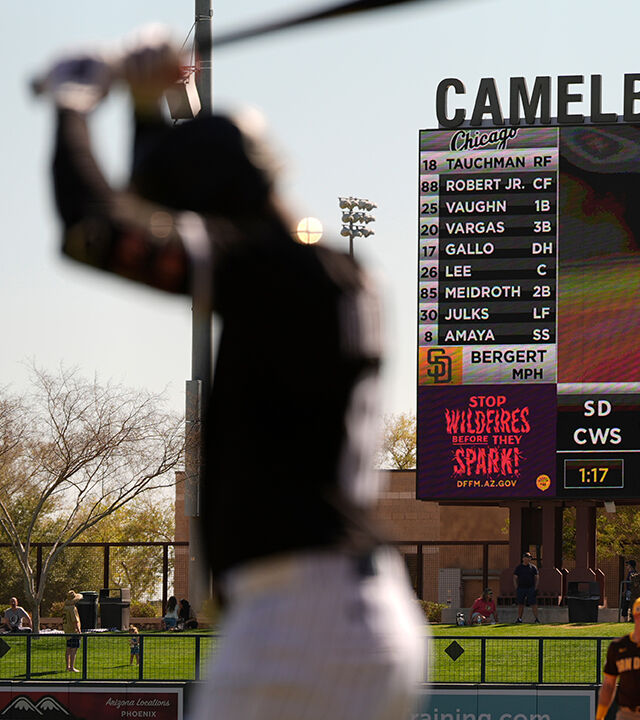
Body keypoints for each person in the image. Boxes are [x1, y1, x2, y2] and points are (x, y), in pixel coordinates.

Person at [43, 31, 425, 720]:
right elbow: (166, 204)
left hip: (304, 617)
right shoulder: (326, 268)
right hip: (342, 607)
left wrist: (75, 104)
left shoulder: (276, 273)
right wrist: (142, 101)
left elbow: (95, 227)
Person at [514, 552, 541, 623]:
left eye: (529, 558)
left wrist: (535, 587)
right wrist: (516, 587)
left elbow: (537, 577)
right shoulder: (519, 568)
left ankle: (537, 619)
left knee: (533, 603)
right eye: (526, 557)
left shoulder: (533, 567)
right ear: (523, 558)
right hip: (521, 588)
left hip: (530, 588)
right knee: (520, 604)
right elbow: (515, 577)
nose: (527, 559)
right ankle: (519, 619)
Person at [63, 591, 82, 673]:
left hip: (67, 630)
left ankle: (67, 666)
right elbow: (75, 621)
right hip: (73, 631)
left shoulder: (65, 608)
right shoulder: (72, 608)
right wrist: (79, 631)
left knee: (68, 649)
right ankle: (72, 667)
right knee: (74, 649)